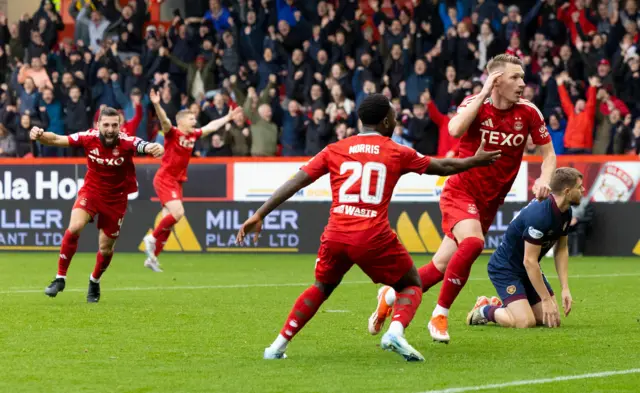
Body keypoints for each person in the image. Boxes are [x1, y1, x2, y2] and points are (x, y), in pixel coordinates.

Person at [235, 94, 501, 361]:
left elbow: (297, 182)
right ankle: (395, 331)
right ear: (386, 120)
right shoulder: (396, 150)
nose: (396, 121)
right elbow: (442, 165)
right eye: (395, 116)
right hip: (372, 235)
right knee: (412, 285)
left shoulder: (335, 149)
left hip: (335, 235)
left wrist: (260, 213)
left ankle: (277, 346)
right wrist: (475, 161)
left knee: (321, 287)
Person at [368, 54, 558, 343]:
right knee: (473, 243)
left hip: (489, 201)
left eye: (522, 77)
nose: (522, 83)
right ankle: (439, 314)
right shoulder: (474, 104)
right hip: (461, 190)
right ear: (496, 81)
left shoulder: (529, 112)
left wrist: (545, 179)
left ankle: (391, 294)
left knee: (440, 267)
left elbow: (548, 155)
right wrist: (483, 94)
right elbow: (454, 130)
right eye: (515, 77)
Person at [31, 108, 164, 303]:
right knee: (74, 226)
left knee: (105, 248)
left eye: (114, 125)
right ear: (98, 125)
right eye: (106, 125)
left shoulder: (126, 142)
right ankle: (60, 278)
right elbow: (57, 139)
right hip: (91, 192)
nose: (110, 129)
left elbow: (144, 145)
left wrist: (155, 147)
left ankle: (94, 281)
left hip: (116, 199)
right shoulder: (88, 137)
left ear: (120, 126)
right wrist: (40, 135)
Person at [466, 167, 583, 329]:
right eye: (580, 187)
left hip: (528, 268)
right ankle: (485, 310)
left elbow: (561, 249)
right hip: (505, 268)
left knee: (551, 321)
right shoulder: (540, 216)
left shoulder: (566, 211)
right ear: (567, 191)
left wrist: (565, 288)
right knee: (525, 322)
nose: (583, 190)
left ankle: (507, 306)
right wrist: (546, 300)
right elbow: (529, 261)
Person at [142, 89, 243, 272]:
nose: (194, 121)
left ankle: (152, 258)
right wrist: (157, 104)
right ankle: (151, 237)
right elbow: (164, 120)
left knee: (169, 221)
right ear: (180, 122)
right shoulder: (172, 133)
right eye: (191, 119)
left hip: (177, 181)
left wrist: (227, 118)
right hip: (165, 178)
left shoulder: (192, 135)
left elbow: (211, 127)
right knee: (178, 213)